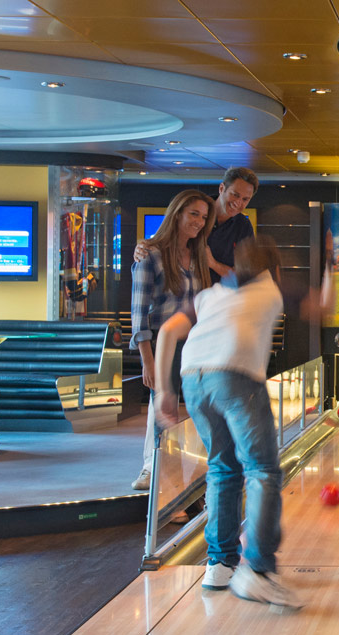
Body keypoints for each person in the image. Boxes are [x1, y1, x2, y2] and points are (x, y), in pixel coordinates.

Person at [151, 236, 303, 609]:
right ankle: (260, 572)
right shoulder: (271, 288)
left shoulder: (211, 295)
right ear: (273, 268)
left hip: (193, 378)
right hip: (234, 375)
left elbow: (168, 332)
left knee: (222, 469)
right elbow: (320, 303)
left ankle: (220, 565)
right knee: (263, 471)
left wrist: (164, 391)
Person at [129, 189, 212, 491]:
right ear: (177, 213)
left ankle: (175, 477)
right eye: (194, 214)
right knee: (164, 410)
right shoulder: (150, 254)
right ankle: (154, 474)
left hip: (195, 345)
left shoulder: (199, 254)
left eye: (203, 217)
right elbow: (139, 314)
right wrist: (147, 360)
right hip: (164, 345)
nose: (199, 222)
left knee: (187, 412)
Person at [134, 167, 258, 282]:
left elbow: (245, 277)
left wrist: (213, 264)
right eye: (235, 194)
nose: (238, 202)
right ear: (221, 188)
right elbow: (166, 237)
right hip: (185, 293)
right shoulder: (198, 208)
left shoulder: (243, 226)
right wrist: (144, 246)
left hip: (222, 300)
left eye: (245, 199)